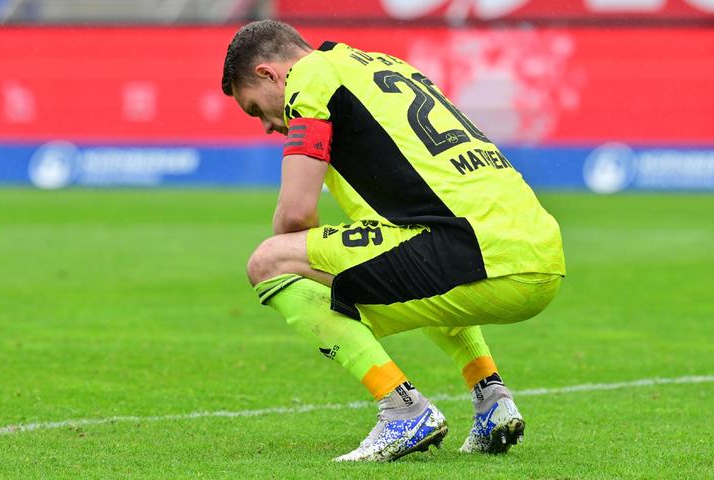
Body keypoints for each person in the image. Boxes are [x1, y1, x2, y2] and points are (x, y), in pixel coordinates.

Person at [221, 20, 565, 462]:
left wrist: (318, 273)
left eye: (256, 109)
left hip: (476, 251)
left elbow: (295, 214)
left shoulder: (308, 77)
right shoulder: (382, 65)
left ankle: (402, 408)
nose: (269, 125)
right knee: (407, 253)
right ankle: (491, 399)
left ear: (270, 74)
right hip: (537, 251)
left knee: (269, 262)